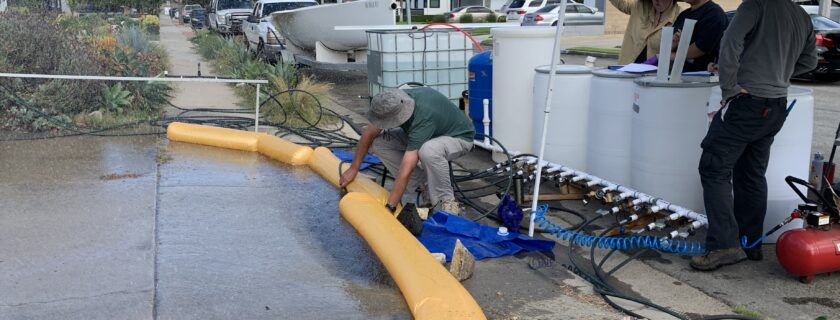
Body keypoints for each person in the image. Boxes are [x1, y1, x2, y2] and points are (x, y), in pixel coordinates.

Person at [691, 0, 817, 271]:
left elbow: (730, 42)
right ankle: (750, 243)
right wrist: (776, 74)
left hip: (747, 103)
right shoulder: (800, 15)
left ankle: (724, 245)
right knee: (751, 173)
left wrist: (729, 86)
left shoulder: (755, 5)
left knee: (714, 168)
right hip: (776, 105)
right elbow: (809, 61)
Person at [339, 88, 475, 215]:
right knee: (379, 143)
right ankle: (426, 186)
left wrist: (390, 206)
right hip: (428, 133)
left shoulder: (421, 118)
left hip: (458, 137)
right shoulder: (391, 102)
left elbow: (406, 169)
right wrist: (353, 168)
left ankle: (446, 203)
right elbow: (368, 135)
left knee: (428, 151)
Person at [610, 0, 682, 64]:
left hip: (655, 72)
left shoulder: (680, 17)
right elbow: (621, 3)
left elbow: (682, 54)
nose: (656, 0)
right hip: (626, 68)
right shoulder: (640, 6)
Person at [669, 0, 728, 72]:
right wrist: (673, 43)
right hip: (679, 73)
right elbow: (670, 43)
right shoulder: (683, 15)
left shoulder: (714, 14)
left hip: (703, 74)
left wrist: (672, 55)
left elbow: (701, 48)